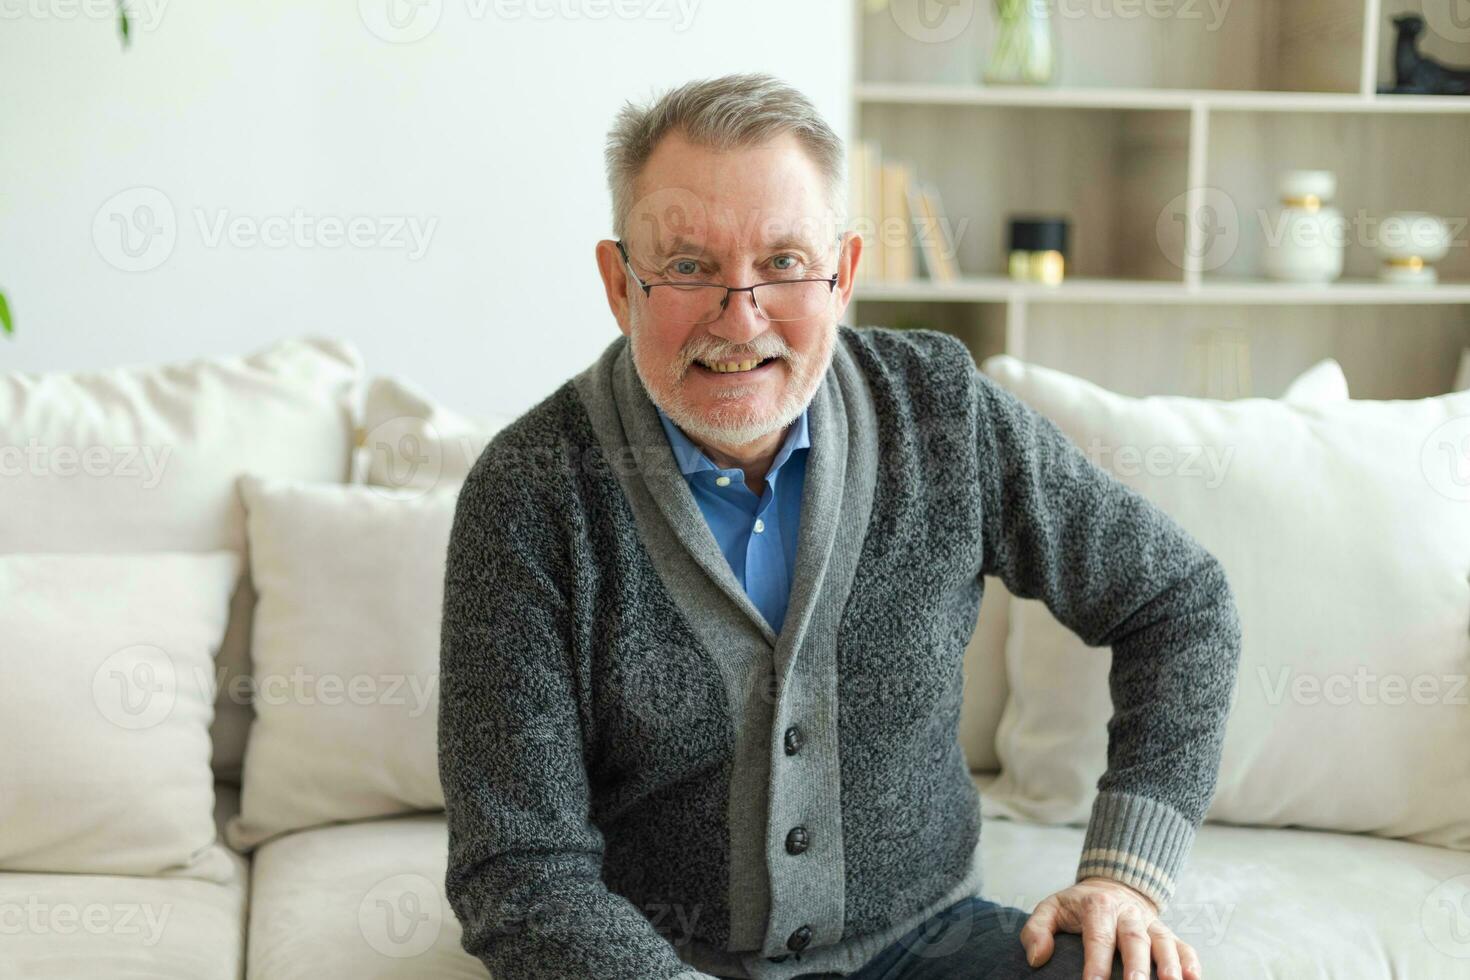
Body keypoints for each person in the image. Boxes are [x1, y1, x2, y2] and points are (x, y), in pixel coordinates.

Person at [438, 71, 1240, 980]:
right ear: (621, 284)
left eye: (782, 263)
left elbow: (1179, 600)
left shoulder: (941, 413)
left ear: (845, 274)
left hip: (930, 943)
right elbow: (517, 868)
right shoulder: (529, 491)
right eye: (690, 267)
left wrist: (1125, 879)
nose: (740, 320)